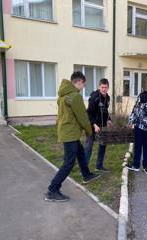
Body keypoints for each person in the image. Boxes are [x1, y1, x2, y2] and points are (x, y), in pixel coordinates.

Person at [45, 72, 100, 202]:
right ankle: (52, 190)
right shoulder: (75, 97)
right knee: (69, 162)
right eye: (83, 84)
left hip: (67, 131)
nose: (83, 87)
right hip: (70, 133)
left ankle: (86, 175)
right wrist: (89, 131)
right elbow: (83, 117)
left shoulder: (63, 97)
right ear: (79, 82)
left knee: (80, 153)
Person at [85, 78, 111, 172]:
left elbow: (105, 110)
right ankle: (84, 169)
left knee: (103, 145)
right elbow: (88, 113)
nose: (104, 89)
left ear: (108, 87)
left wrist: (108, 119)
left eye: (106, 87)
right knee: (89, 147)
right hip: (92, 126)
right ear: (99, 87)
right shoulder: (94, 97)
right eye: (102, 87)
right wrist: (94, 125)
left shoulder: (107, 97)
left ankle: (99, 166)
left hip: (103, 126)